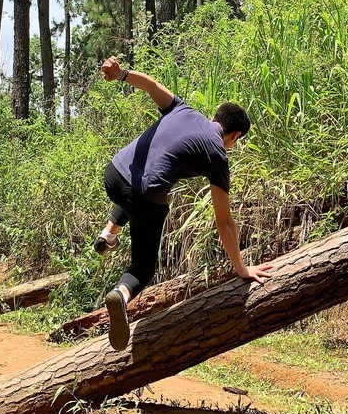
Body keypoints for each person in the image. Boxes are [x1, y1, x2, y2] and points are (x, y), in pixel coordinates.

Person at [94, 56, 274, 350]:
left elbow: (151, 85)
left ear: (216, 117)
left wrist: (121, 73)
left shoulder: (183, 109)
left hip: (113, 174)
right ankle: (121, 296)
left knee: (132, 195)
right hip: (141, 198)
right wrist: (242, 269)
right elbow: (224, 222)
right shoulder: (217, 154)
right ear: (235, 135)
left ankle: (108, 233)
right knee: (142, 266)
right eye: (235, 142)